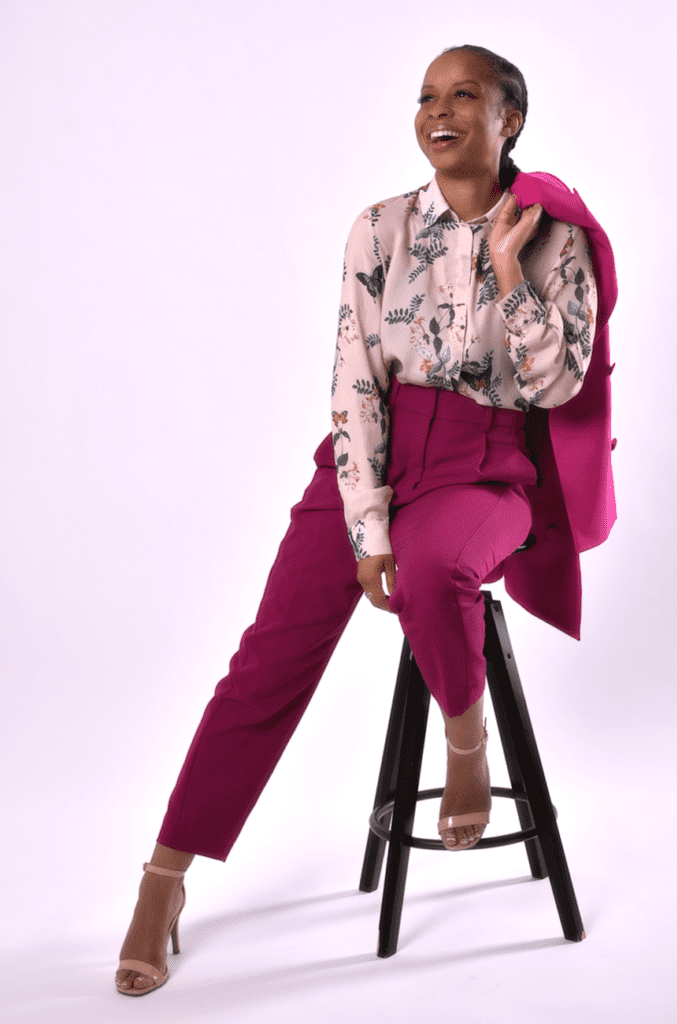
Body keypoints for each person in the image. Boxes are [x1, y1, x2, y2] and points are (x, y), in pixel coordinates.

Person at [115, 43, 600, 995]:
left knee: (433, 575)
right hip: (367, 454)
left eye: (465, 94)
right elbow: (354, 378)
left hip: (485, 463)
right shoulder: (377, 229)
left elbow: (557, 383)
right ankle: (162, 879)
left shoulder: (556, 235)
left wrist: (507, 266)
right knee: (267, 660)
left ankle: (468, 747)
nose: (438, 110)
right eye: (426, 96)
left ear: (511, 120)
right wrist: (366, 519)